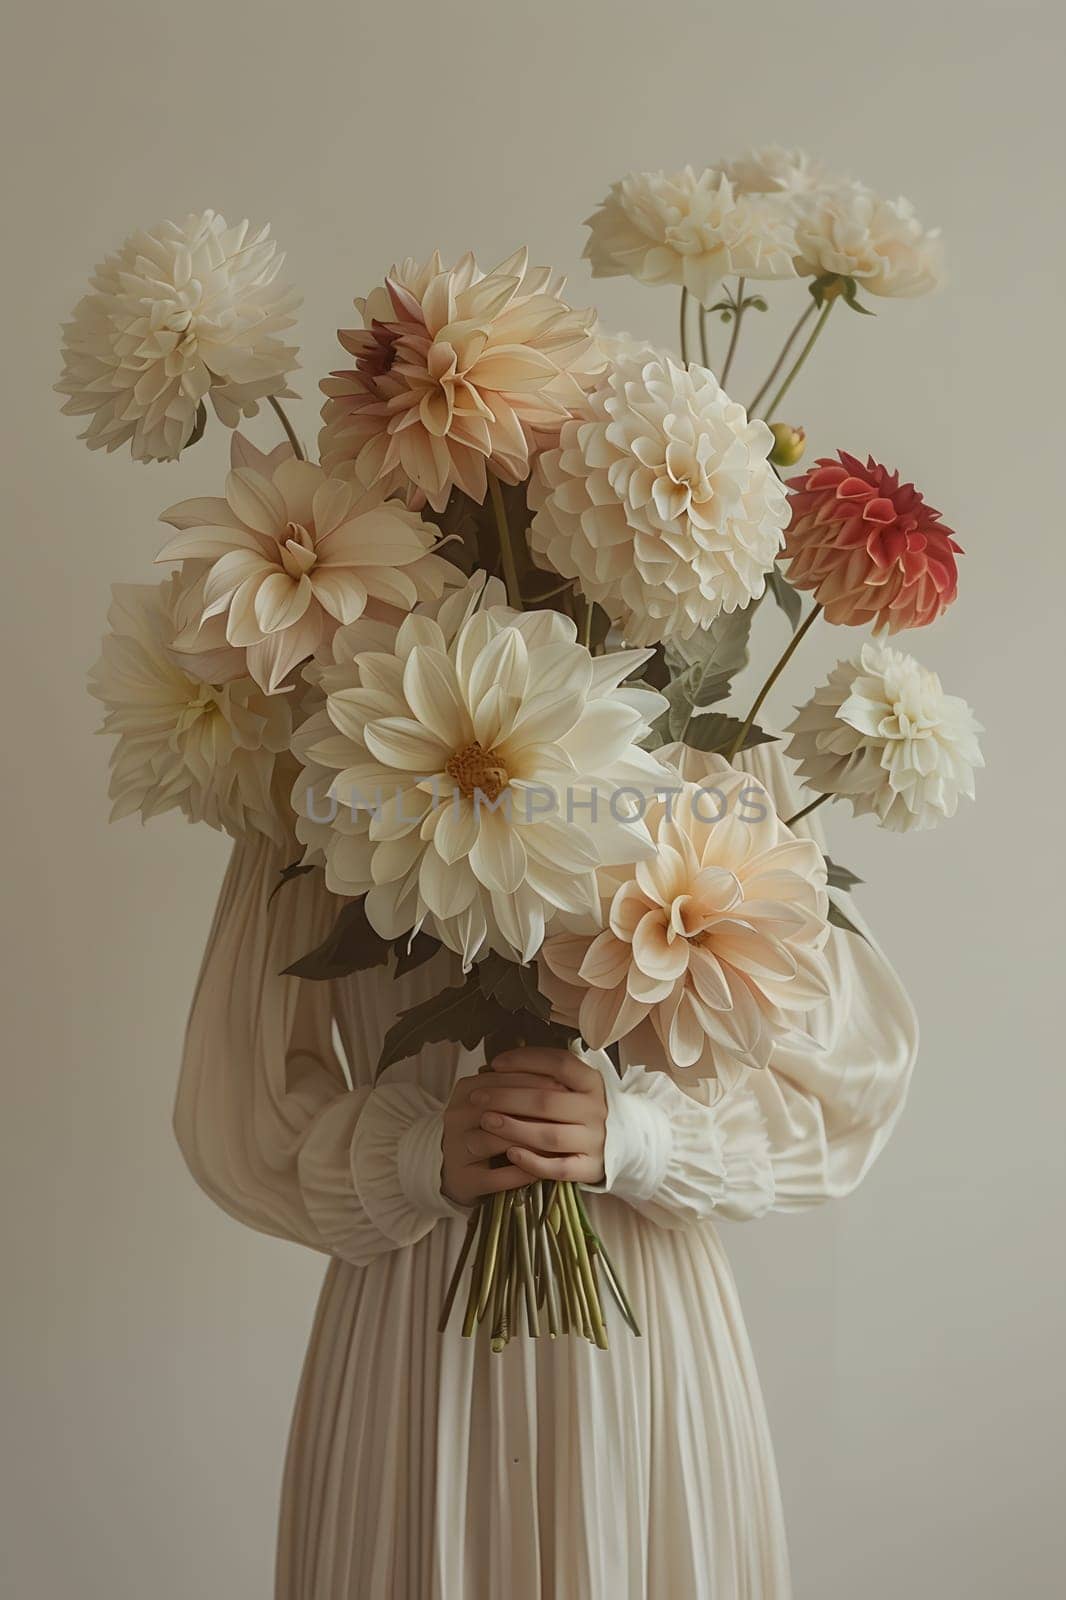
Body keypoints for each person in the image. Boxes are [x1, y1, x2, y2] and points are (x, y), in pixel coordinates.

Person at [175, 743, 917, 1599]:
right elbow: (238, 1102)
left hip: (640, 1315)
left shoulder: (712, 749)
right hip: (417, 1322)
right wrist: (413, 1156)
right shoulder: (326, 730)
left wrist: (646, 1139)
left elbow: (840, 1077)